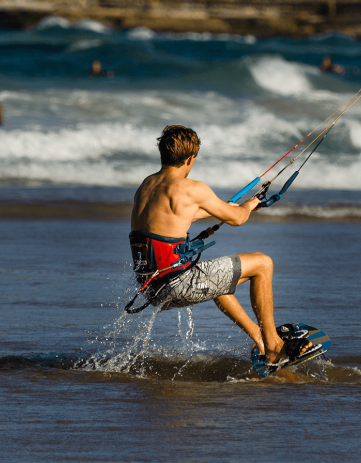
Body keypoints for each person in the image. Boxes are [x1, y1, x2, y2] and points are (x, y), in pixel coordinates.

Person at [129, 126, 310, 366]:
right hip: (178, 285)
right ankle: (275, 346)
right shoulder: (192, 188)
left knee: (221, 277)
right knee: (263, 263)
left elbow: (179, 215)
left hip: (151, 289)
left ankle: (260, 338)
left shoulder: (146, 186)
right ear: (191, 158)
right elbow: (238, 220)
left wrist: (227, 207)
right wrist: (250, 204)